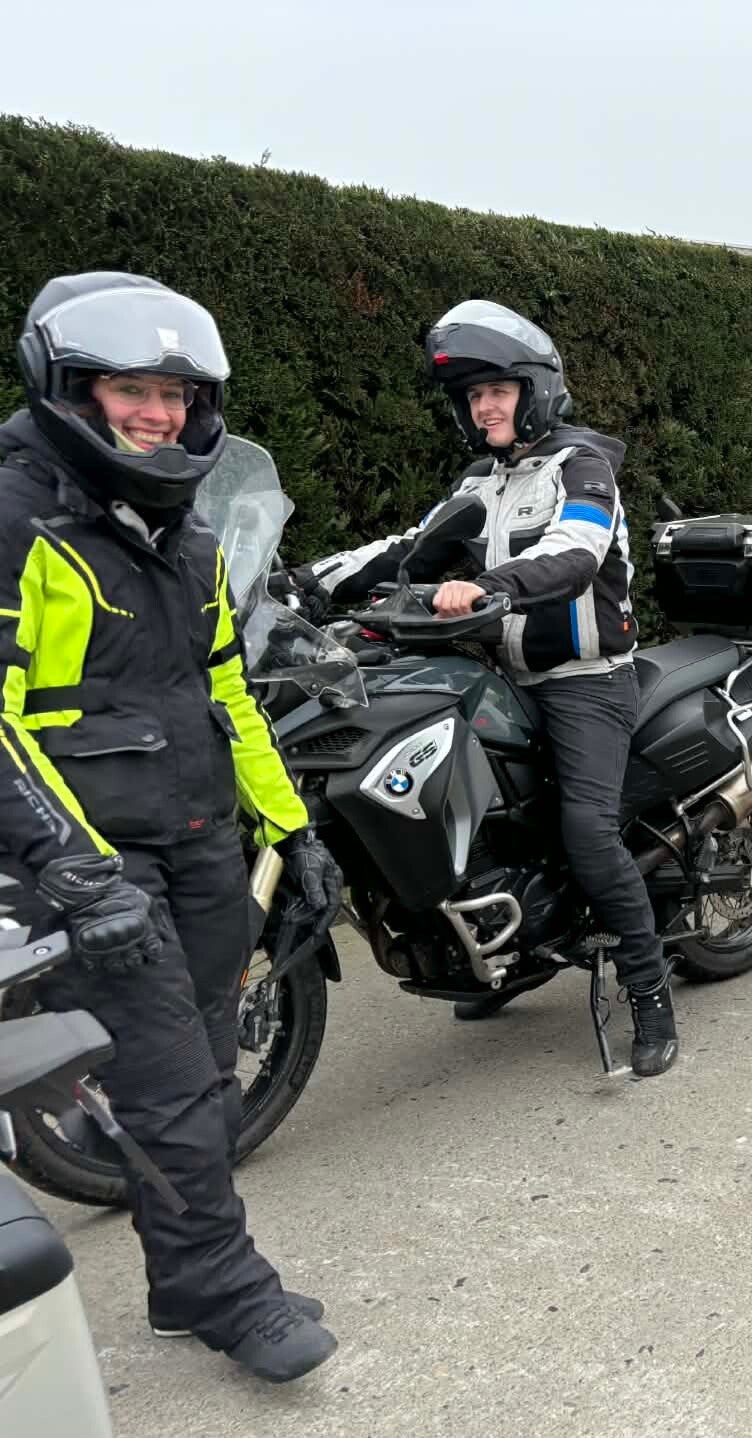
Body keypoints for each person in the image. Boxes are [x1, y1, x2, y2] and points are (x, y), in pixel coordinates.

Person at [0, 272, 341, 1380]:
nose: (158, 414)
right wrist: (75, 869)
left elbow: (227, 691)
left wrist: (294, 831)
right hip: (94, 857)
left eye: (176, 395)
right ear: (72, 391)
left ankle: (179, 1283)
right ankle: (229, 1292)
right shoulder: (17, 518)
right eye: (132, 391)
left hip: (199, 837)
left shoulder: (184, 534)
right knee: (169, 1081)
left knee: (207, 1064)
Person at [298, 301, 678, 1075]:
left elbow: (575, 551)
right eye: (473, 396)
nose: (485, 407)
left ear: (534, 390)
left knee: (587, 833)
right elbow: (408, 547)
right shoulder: (481, 479)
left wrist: (488, 585)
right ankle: (504, 949)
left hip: (586, 683)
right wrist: (303, 581)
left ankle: (649, 991)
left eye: (498, 390)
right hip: (503, 675)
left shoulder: (584, 468)